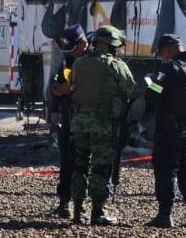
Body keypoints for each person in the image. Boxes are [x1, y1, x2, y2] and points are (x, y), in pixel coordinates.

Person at [70, 25, 137, 225]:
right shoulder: (115, 65)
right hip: (103, 123)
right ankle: (97, 212)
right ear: (111, 44)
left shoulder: (79, 63)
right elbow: (132, 91)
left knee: (80, 165)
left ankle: (78, 212)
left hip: (79, 122)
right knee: (100, 167)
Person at [145, 34, 186, 228]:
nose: (163, 56)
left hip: (169, 129)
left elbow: (152, 97)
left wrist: (150, 83)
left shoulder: (170, 69)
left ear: (171, 48)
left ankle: (165, 215)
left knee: (166, 170)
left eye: (163, 52)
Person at [49, 25, 88, 219]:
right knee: (67, 160)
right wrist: (54, 109)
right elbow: (56, 84)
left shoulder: (93, 61)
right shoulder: (68, 60)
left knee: (85, 163)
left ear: (83, 43)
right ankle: (64, 202)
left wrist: (70, 89)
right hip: (69, 117)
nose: (72, 53)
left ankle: (87, 206)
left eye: (74, 49)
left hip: (88, 118)